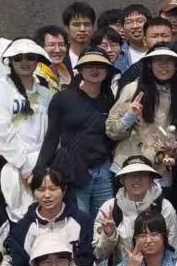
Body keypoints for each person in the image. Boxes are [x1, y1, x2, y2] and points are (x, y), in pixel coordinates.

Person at [37, 50, 117, 219]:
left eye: (100, 66)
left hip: (103, 170)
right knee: (78, 221)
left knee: (105, 220)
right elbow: (52, 136)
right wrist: (40, 167)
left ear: (107, 71)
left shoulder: (110, 101)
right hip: (74, 170)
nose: (95, 70)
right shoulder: (63, 98)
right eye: (89, 66)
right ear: (80, 69)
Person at [0, 39, 58, 219]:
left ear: (37, 60)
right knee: (11, 217)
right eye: (18, 57)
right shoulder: (2, 87)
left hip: (42, 163)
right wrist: (25, 168)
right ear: (11, 61)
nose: (24, 61)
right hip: (12, 163)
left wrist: (42, 164)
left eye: (30, 57)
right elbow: (2, 130)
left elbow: (51, 131)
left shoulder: (45, 90)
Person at [105, 45, 177, 184]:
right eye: (158, 61)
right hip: (128, 166)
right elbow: (111, 131)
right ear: (149, 64)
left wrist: (175, 148)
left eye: (169, 61)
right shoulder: (132, 89)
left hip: (161, 171)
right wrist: (130, 117)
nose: (164, 66)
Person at [92, 156, 177, 266]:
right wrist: (109, 235)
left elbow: (171, 251)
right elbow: (99, 255)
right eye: (131, 175)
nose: (137, 179)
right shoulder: (110, 209)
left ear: (151, 179)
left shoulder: (164, 208)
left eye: (142, 174)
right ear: (123, 180)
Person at [5, 166, 93, 266]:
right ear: (33, 192)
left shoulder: (82, 221)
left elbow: (86, 259)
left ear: (64, 190)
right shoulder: (22, 228)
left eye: (53, 189)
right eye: (41, 190)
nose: (47, 195)